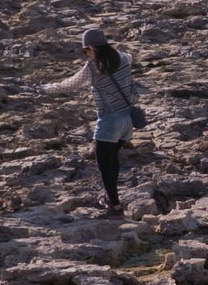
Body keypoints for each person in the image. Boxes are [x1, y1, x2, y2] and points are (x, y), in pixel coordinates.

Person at [45, 26, 141, 217]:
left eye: (85, 51)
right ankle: (110, 198)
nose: (85, 55)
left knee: (104, 165)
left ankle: (114, 207)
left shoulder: (93, 67)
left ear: (92, 48)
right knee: (112, 160)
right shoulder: (123, 58)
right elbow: (130, 56)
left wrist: (45, 88)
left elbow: (70, 84)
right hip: (128, 120)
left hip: (109, 122)